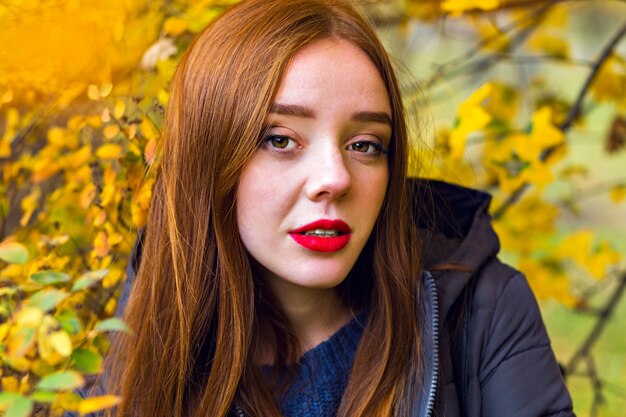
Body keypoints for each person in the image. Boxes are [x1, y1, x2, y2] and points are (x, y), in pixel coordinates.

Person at [66, 0, 576, 416]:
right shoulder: (142, 336)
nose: (334, 178)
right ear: (208, 158)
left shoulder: (481, 309)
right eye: (281, 139)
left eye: (365, 145)